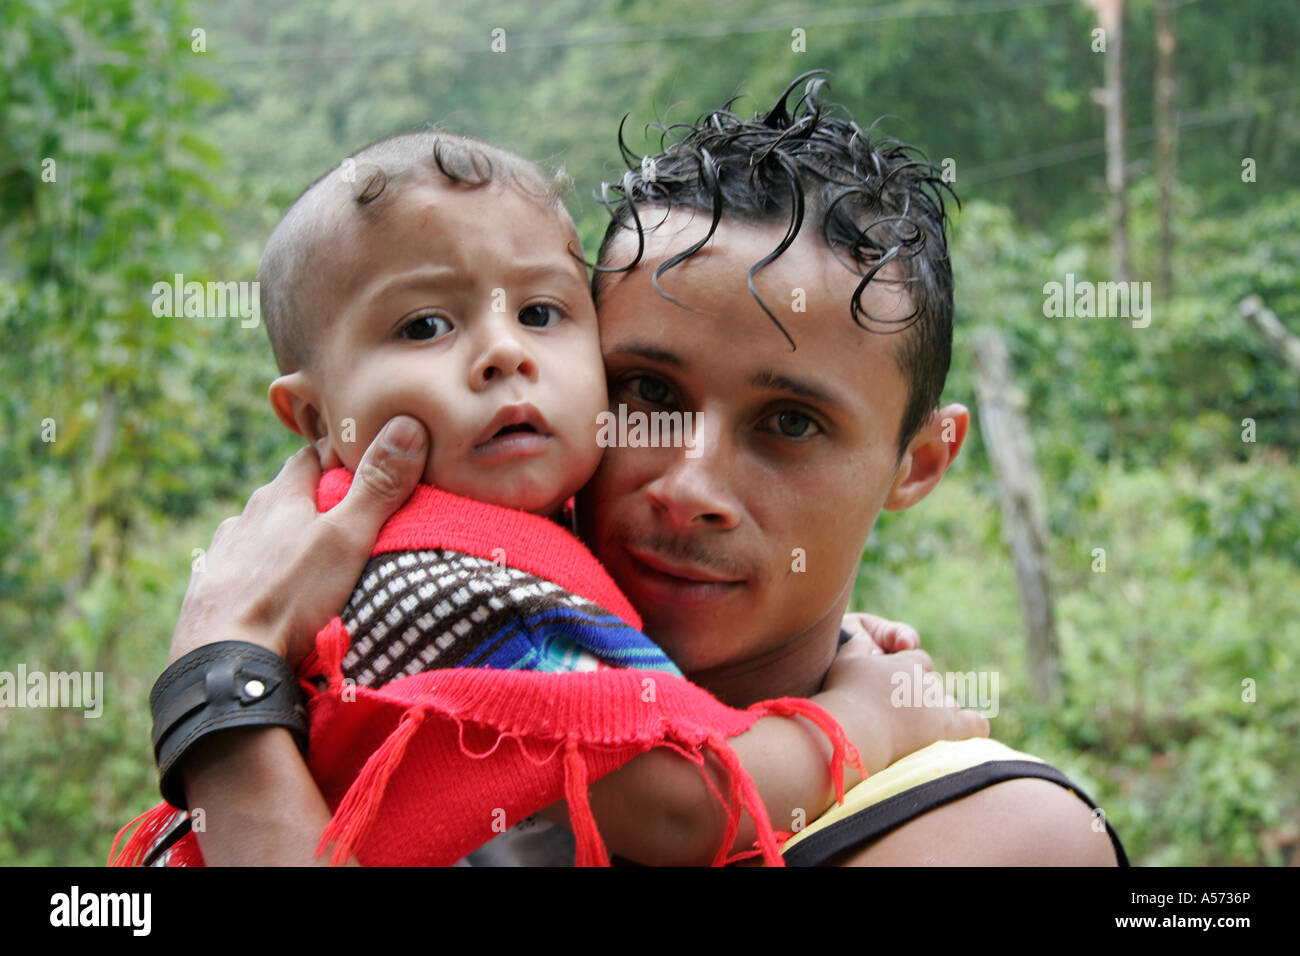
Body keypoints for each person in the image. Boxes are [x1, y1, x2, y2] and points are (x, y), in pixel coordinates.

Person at [144, 72, 1125, 866]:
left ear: (921, 460)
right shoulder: (442, 603)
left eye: (789, 420)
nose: (688, 486)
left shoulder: (1002, 836)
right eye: (646, 392)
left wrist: (220, 699)